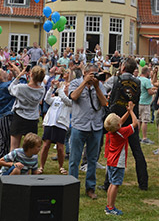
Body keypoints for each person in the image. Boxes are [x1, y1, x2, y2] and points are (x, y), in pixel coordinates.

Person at [103, 58, 148, 190]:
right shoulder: (138, 81)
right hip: (131, 117)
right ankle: (143, 183)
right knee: (137, 151)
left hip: (116, 119)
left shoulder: (115, 79)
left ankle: (107, 184)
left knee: (113, 150)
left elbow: (104, 90)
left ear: (123, 67)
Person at [69, 64, 108, 200]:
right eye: (92, 74)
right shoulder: (75, 83)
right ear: (85, 72)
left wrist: (96, 87)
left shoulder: (100, 85)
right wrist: (84, 83)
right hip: (79, 126)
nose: (95, 76)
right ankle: (72, 187)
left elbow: (104, 103)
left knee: (92, 159)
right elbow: (73, 96)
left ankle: (90, 188)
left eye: (96, 74)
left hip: (95, 126)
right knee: (74, 159)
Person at [103, 102, 137, 216]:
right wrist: (132, 111)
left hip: (110, 162)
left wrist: (127, 112)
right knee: (115, 184)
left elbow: (120, 122)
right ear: (117, 125)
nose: (119, 117)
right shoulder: (122, 132)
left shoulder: (112, 131)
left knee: (112, 183)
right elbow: (135, 123)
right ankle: (111, 208)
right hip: (118, 163)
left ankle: (109, 206)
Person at [8, 65, 47, 151]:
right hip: (32, 118)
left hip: (19, 116)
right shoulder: (42, 90)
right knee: (30, 147)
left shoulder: (21, 87)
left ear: (31, 74)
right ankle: (27, 163)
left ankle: (13, 163)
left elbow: (10, 89)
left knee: (14, 146)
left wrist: (19, 75)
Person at [40, 74, 72, 174]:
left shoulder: (71, 101)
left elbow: (65, 99)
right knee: (45, 145)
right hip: (50, 123)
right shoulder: (56, 99)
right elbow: (47, 99)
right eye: (65, 86)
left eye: (67, 87)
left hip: (61, 125)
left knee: (60, 147)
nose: (66, 88)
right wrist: (52, 88)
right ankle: (41, 166)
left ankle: (61, 166)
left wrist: (59, 89)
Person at [138, 66, 156, 144]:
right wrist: (155, 92)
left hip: (139, 102)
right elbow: (149, 92)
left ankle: (137, 136)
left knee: (139, 120)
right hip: (145, 103)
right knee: (144, 121)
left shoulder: (138, 79)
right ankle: (144, 138)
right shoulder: (146, 80)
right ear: (147, 73)